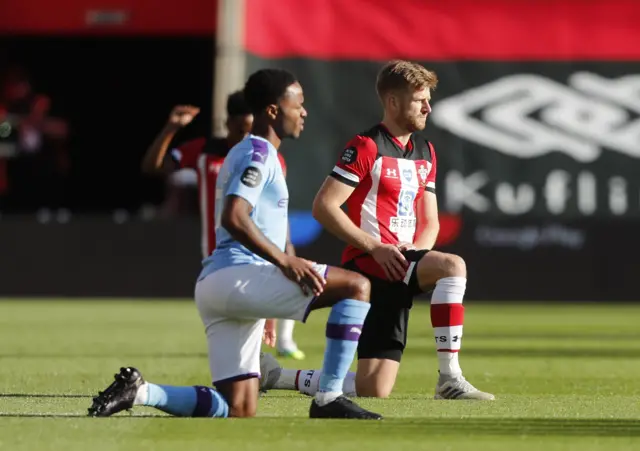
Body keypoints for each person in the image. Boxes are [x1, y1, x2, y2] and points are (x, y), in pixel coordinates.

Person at [87, 68, 382, 420]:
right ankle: (329, 397)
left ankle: (142, 392)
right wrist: (286, 262)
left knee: (239, 407)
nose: (304, 111)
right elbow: (234, 216)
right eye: (298, 104)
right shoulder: (257, 154)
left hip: (221, 287)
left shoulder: (257, 153)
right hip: (240, 277)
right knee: (356, 285)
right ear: (273, 110)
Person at [261, 60, 495, 401]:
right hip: (369, 264)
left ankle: (277, 376)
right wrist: (376, 248)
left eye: (428, 99)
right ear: (393, 102)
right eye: (420, 101)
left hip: (399, 264)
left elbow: (430, 222)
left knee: (374, 389)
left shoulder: (426, 151)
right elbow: (324, 206)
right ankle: (450, 378)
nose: (428, 107)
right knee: (453, 267)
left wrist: (412, 257)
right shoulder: (366, 146)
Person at [141, 91, 305, 360]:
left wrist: (286, 249)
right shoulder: (205, 151)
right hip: (219, 255)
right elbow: (152, 167)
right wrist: (172, 127)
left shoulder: (268, 158)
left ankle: (279, 350)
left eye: (251, 130)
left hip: (258, 254)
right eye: (240, 129)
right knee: (241, 343)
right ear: (227, 123)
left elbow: (276, 210)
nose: (245, 137)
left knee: (247, 345)